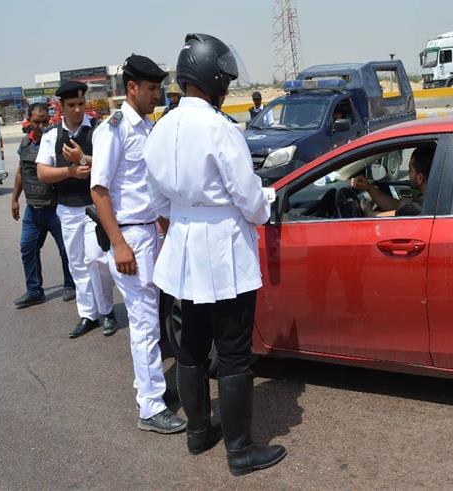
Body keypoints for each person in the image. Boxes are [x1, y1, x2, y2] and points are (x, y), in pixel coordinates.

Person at [144, 33, 286, 475]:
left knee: (190, 346)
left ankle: (198, 432)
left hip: (184, 247)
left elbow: (157, 201)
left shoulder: (162, 127)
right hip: (222, 249)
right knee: (233, 351)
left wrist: (186, 214)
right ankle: (240, 451)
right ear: (213, 77)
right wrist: (267, 201)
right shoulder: (221, 129)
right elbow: (248, 198)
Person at [90, 54, 186, 435]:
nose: (157, 95)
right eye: (151, 89)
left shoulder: (146, 127)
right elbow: (99, 191)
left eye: (159, 88)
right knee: (144, 321)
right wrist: (119, 244)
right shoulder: (113, 129)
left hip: (150, 231)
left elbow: (150, 188)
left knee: (155, 315)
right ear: (132, 88)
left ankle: (154, 390)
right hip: (129, 235)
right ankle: (149, 407)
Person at [36, 80, 116, 338]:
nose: (78, 110)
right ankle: (88, 314)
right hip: (67, 208)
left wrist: (83, 160)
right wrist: (70, 171)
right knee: (77, 263)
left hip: (95, 207)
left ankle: (107, 310)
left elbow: (110, 162)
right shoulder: (51, 136)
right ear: (62, 106)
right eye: (72, 105)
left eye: (81, 104)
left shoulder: (98, 131)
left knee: (96, 259)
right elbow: (43, 173)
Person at [11, 102, 75, 308]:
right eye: (37, 122)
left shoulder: (55, 142)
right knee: (27, 248)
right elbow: (21, 172)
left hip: (55, 207)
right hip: (33, 209)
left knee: (66, 249)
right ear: (28, 120)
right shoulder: (24, 144)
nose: (41, 126)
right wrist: (14, 199)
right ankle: (34, 290)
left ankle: (71, 284)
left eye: (44, 121)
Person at [351, 145, 434, 217]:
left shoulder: (419, 207)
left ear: (420, 178)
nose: (408, 172)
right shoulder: (430, 197)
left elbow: (376, 217)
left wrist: (366, 209)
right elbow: (398, 205)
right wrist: (369, 188)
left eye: (410, 169)